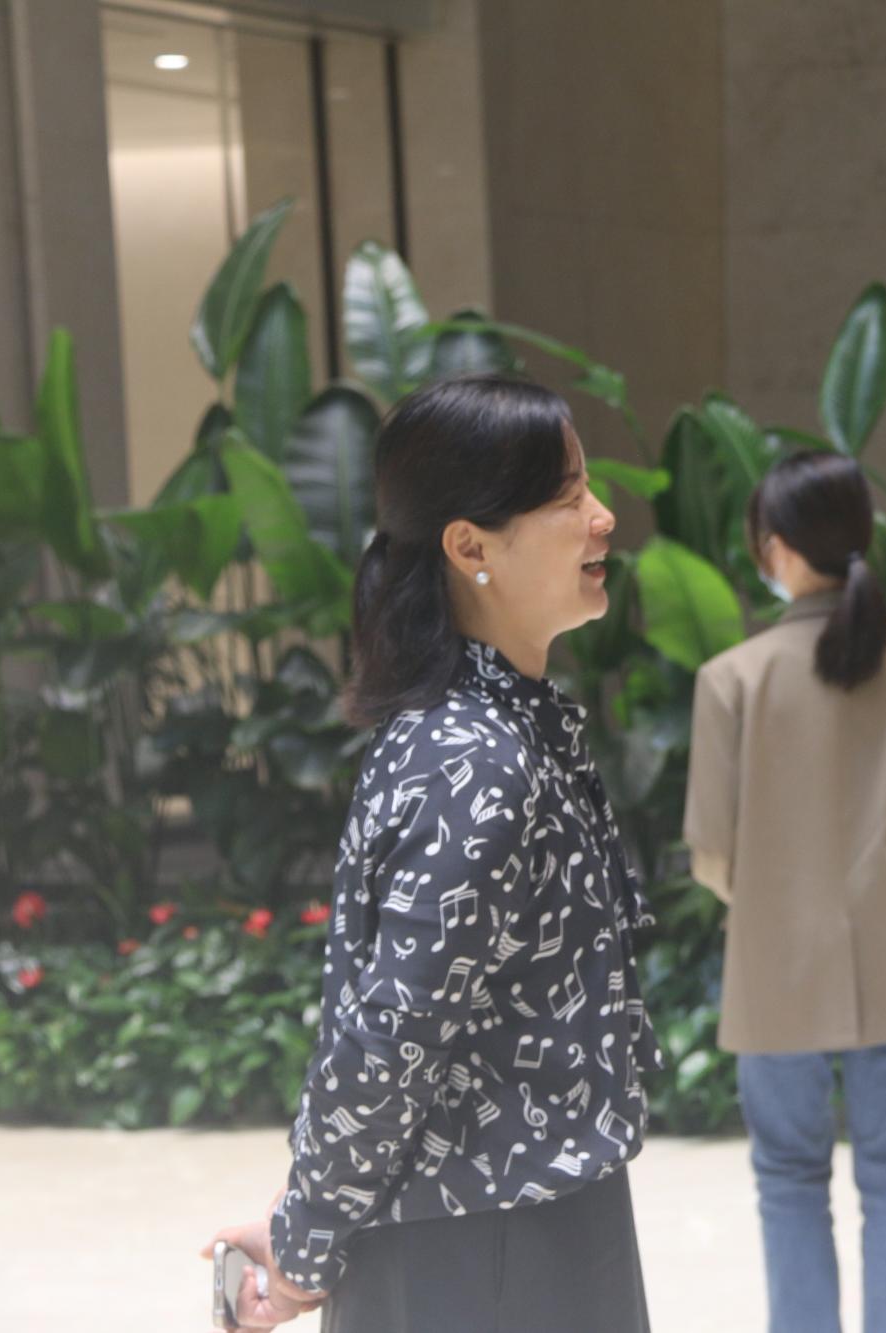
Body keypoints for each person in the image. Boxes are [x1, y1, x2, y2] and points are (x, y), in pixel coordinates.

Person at [202, 375, 660, 1332]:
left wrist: (305, 1224)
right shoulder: (475, 758)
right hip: (485, 1257)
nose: (602, 517)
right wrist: (305, 1242)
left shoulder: (497, 727)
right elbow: (389, 1041)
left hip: (514, 1232)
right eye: (567, 495)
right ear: (469, 546)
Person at [683, 449, 886, 1333]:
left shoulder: (731, 678)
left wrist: (779, 900)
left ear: (775, 549)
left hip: (777, 972)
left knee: (788, 1182)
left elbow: (713, 855)